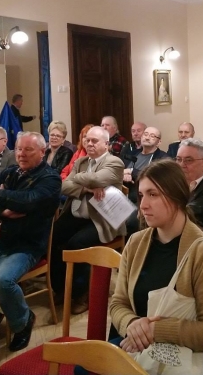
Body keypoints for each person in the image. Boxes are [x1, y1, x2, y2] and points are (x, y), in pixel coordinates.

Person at [110, 160, 203, 375]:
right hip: (140, 346)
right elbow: (118, 303)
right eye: (141, 195)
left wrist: (154, 330)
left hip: (190, 357)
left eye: (153, 194)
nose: (143, 205)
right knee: (84, 366)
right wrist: (132, 323)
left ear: (177, 197)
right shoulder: (135, 243)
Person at [0, 132, 62, 351]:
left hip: (22, 246)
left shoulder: (50, 178)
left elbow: (29, 201)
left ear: (42, 152)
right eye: (18, 149)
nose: (21, 154)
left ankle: (23, 321)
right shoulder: (10, 172)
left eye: (28, 150)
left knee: (0, 282)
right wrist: (2, 212)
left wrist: (1, 195)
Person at [52, 126, 125, 308]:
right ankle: (61, 288)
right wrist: (85, 188)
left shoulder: (114, 162)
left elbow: (96, 180)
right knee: (53, 237)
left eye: (94, 141)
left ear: (106, 144)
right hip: (77, 214)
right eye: (87, 140)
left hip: (102, 219)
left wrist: (78, 179)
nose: (89, 143)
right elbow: (63, 186)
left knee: (76, 244)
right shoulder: (81, 161)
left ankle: (81, 293)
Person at [123, 126, 169, 203]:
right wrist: (123, 175)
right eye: (145, 134)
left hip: (145, 198)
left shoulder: (163, 158)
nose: (147, 138)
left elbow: (155, 177)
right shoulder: (132, 154)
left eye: (152, 136)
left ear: (159, 142)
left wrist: (131, 171)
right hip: (125, 194)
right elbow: (122, 169)